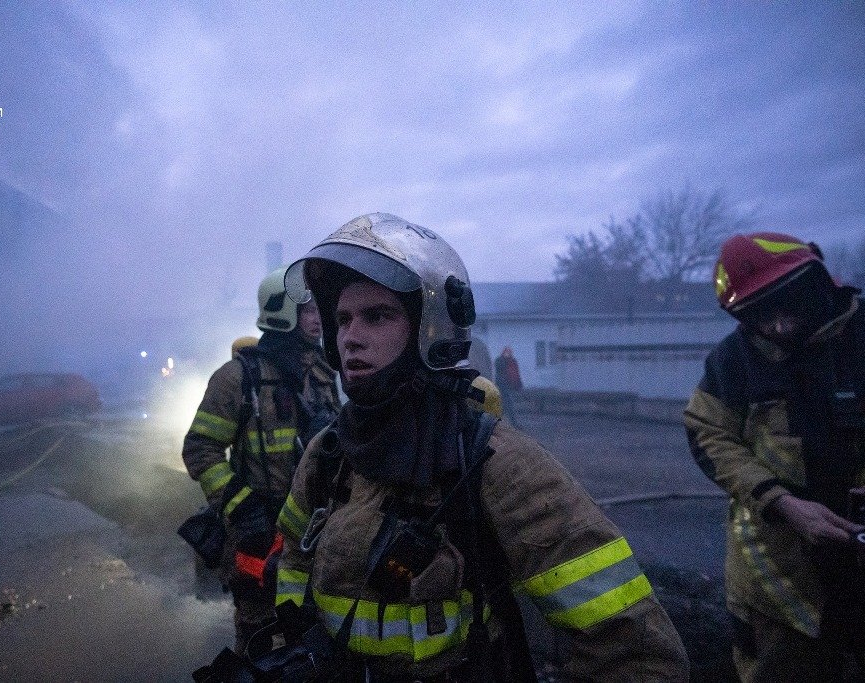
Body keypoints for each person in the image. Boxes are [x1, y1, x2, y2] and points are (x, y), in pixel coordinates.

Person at [271, 213, 688, 681]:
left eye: (378, 316)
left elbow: (638, 654)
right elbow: (292, 560)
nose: (351, 337)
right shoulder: (328, 456)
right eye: (343, 319)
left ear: (431, 328)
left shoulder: (494, 462)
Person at [684, 232, 865, 682]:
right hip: (781, 581)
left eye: (786, 304)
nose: (777, 327)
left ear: (817, 282)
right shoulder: (732, 362)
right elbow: (708, 432)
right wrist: (782, 503)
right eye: (757, 314)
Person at [182, 266, 341, 654]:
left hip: (313, 533)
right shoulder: (239, 377)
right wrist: (241, 506)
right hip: (259, 534)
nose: (318, 317)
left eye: (319, 308)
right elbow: (199, 448)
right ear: (281, 312)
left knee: (312, 635)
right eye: (307, 309)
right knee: (258, 639)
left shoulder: (323, 372)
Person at [494, 345, 522, 427]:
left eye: (509, 352)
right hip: (503, 387)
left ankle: (507, 423)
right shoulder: (500, 360)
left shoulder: (512, 361)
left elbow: (516, 373)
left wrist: (518, 384)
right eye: (506, 352)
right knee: (507, 405)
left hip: (510, 386)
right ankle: (510, 423)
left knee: (507, 405)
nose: (508, 354)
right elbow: (499, 372)